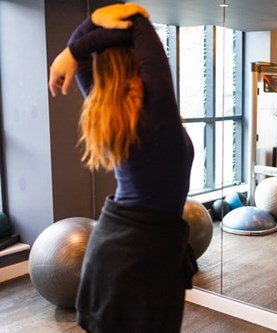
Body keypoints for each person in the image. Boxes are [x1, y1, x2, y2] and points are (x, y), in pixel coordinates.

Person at [48, 3, 197, 332]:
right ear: (137, 60)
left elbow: (87, 58)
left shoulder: (107, 107)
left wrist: (85, 32)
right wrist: (78, 44)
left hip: (119, 246)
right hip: (142, 251)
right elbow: (139, 21)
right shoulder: (157, 110)